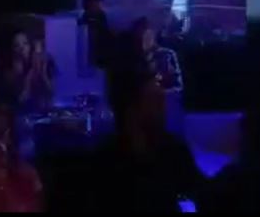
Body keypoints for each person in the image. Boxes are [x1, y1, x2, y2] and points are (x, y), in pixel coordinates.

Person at [87, 69, 205, 212]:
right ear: (132, 109)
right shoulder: (107, 160)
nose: (164, 109)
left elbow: (203, 192)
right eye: (156, 102)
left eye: (162, 101)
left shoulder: (172, 148)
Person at [0, 31, 56, 113]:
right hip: (19, 114)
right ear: (12, 49)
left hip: (42, 112)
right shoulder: (8, 72)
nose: (22, 48)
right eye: (16, 45)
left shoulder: (40, 62)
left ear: (30, 45)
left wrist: (43, 74)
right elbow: (16, 101)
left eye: (25, 43)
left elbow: (51, 93)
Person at [78, 0, 112, 70]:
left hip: (102, 60)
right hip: (88, 61)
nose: (100, 8)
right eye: (96, 5)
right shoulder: (82, 24)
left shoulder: (102, 16)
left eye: (100, 5)